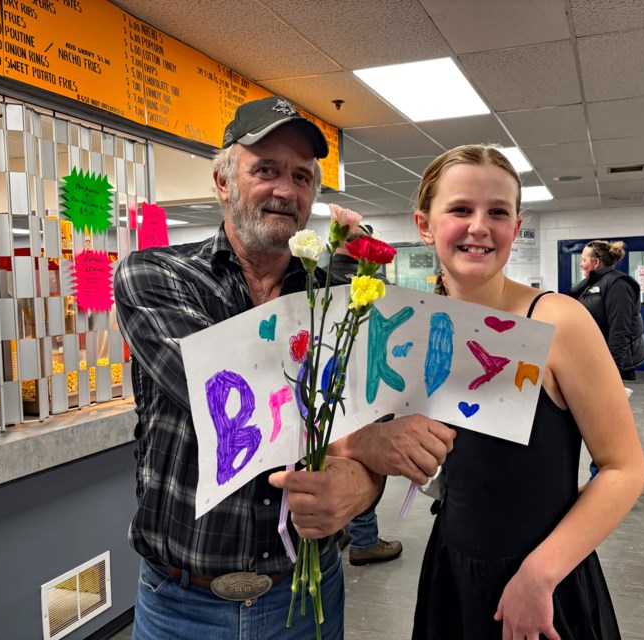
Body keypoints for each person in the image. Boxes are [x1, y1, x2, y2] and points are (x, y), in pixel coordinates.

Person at [114, 96, 455, 640]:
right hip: (183, 604)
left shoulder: (340, 296)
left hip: (305, 598)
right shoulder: (155, 275)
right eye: (265, 169)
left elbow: (383, 416)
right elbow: (223, 394)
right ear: (224, 181)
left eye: (301, 176)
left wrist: (364, 487)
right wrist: (362, 444)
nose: (285, 189)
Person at [409, 144, 644, 639]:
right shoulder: (425, 327)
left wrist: (538, 577)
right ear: (424, 224)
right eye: (459, 209)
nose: (479, 226)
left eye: (497, 212)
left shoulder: (558, 321)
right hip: (451, 572)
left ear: (516, 228)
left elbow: (624, 469)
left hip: (542, 583)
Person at [329, 226, 403, 567]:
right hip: (369, 391)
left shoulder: (311, 282)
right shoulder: (376, 288)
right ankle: (364, 540)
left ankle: (343, 531)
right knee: (367, 462)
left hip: (326, 392)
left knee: (329, 463)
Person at [568, 239, 644, 481]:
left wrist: (611, 373)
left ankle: (603, 478)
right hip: (589, 365)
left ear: (596, 261)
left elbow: (620, 331)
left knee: (605, 427)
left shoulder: (617, 285)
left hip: (608, 366)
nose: (581, 263)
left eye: (584, 259)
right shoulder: (589, 285)